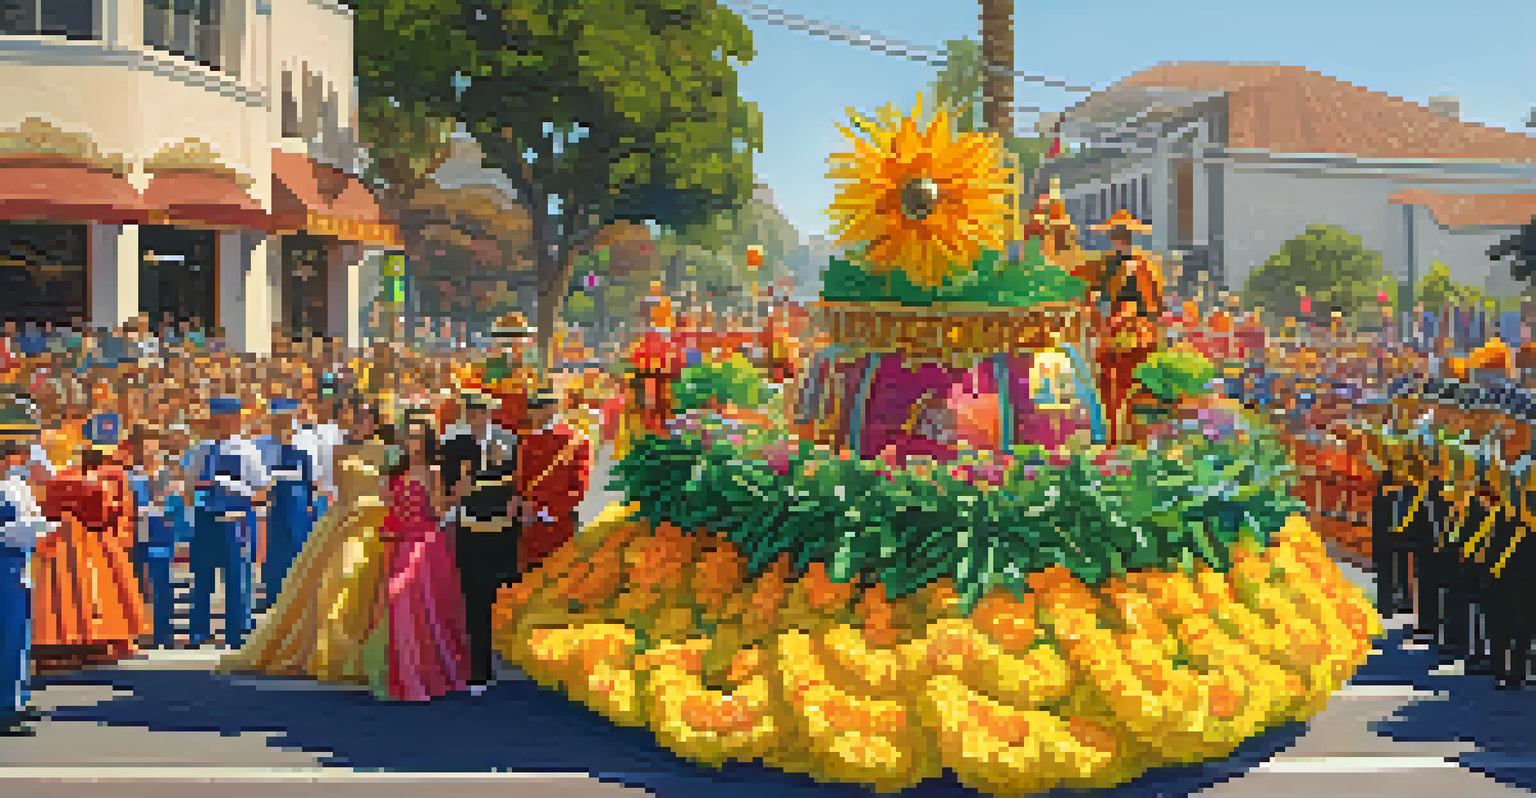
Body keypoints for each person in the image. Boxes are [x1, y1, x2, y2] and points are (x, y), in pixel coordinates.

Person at [218, 394, 395, 684]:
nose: (363, 422)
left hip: (377, 522)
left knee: (371, 586)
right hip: (346, 521)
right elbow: (339, 487)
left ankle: (368, 652)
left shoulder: (386, 450)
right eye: (358, 417)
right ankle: (332, 651)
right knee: (335, 582)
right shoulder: (339, 449)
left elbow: (390, 486)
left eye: (368, 417)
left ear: (376, 422)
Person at [361, 408, 469, 701]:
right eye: (409, 436)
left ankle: (419, 672)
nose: (413, 441)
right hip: (399, 542)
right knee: (405, 607)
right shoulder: (399, 471)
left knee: (408, 601)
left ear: (428, 440)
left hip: (424, 544)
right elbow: (389, 507)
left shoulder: (432, 471)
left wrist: (457, 495)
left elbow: (439, 512)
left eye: (419, 437)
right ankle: (404, 671)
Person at [34, 413, 146, 668]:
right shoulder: (100, 478)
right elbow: (108, 512)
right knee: (103, 594)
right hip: (97, 541)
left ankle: (58, 647)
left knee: (62, 597)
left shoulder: (49, 481)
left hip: (57, 544)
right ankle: (102, 643)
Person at [445, 392, 522, 695]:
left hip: (505, 531)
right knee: (475, 599)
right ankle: (480, 670)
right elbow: (450, 490)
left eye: (482, 411)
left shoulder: (510, 440)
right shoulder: (454, 445)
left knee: (504, 595)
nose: (477, 417)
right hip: (471, 531)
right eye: (471, 412)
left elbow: (520, 481)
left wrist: (518, 501)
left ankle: (510, 660)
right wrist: (457, 491)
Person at [187, 396, 268, 648]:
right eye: (216, 419)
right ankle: (199, 631)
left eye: (225, 419)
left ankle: (237, 632)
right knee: (202, 577)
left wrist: (236, 487)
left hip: (235, 519)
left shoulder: (247, 450)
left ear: (236, 420)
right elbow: (189, 486)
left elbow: (263, 489)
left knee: (236, 576)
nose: (220, 424)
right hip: (205, 518)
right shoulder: (202, 449)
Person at [0, 395, 54, 735]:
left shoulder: (18, 483)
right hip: (6, 557)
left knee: (19, 634)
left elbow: (34, 514)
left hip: (21, 559)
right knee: (6, 634)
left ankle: (16, 697)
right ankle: (5, 706)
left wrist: (40, 529)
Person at [515, 389, 592, 574]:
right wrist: (524, 507)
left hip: (560, 525)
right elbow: (521, 482)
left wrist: (546, 511)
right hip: (532, 527)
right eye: (532, 408)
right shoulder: (528, 440)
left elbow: (578, 488)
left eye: (538, 408)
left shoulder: (577, 441)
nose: (533, 413)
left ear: (552, 409)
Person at [258, 398, 317, 613]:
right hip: (274, 502)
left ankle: (300, 594)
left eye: (287, 418)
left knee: (299, 548)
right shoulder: (262, 445)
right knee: (274, 549)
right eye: (278, 418)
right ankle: (273, 594)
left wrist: (310, 503)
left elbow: (312, 478)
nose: (283, 423)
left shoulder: (307, 442)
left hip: (299, 503)